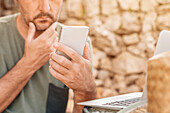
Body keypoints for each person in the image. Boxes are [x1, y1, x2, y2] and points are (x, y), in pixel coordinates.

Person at [0, 0, 97, 113]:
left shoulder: (77, 42)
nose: (45, 8)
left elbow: (85, 107)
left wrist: (87, 89)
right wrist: (29, 63)